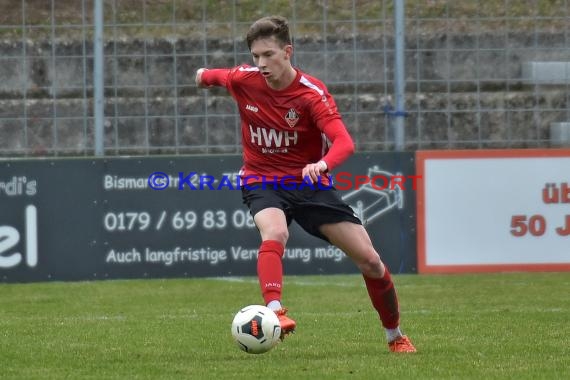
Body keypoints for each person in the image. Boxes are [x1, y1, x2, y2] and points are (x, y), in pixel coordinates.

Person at [195, 15, 416, 353]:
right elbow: (213, 76)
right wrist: (202, 76)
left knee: (371, 261)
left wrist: (323, 164)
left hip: (309, 183)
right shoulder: (245, 79)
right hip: (262, 179)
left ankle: (395, 335)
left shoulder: (311, 94)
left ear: (288, 51)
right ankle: (275, 312)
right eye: (256, 56)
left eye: (268, 54)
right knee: (275, 233)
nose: (261, 63)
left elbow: (344, 142)